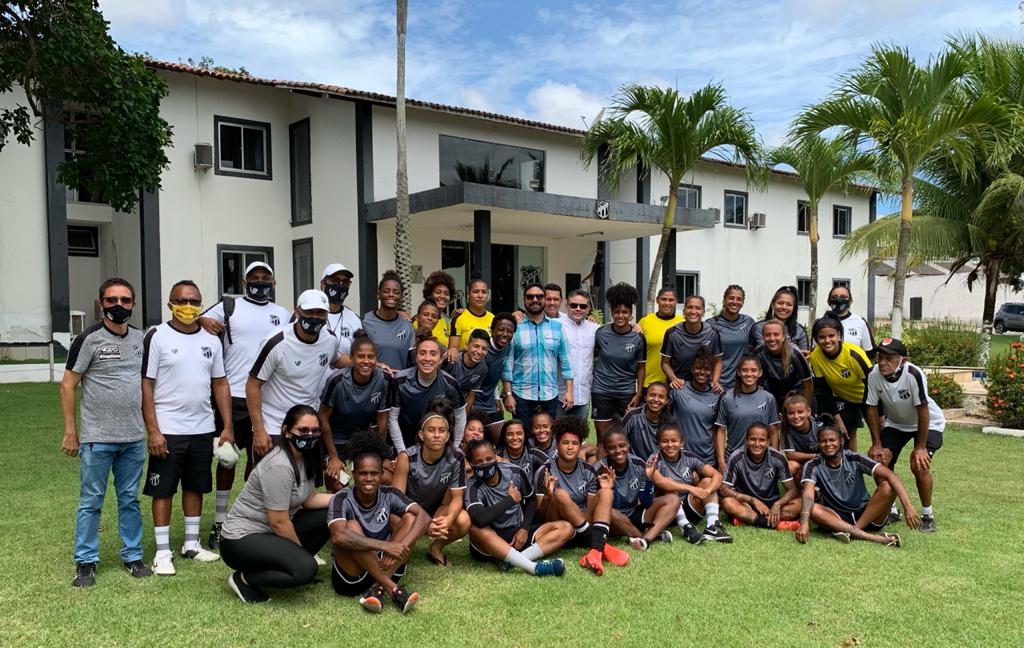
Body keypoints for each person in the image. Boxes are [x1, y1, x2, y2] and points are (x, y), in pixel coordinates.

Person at [61, 278, 152, 587]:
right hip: (96, 439)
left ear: (133, 304)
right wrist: (71, 432)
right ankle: (86, 562)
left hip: (133, 438)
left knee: (129, 500)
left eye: (125, 300)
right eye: (112, 300)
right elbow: (68, 385)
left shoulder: (140, 339)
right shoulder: (88, 339)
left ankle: (133, 556)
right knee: (91, 501)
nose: (119, 305)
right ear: (102, 304)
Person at [198, 261, 291, 549]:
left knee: (259, 461)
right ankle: (219, 521)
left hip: (268, 398)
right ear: (243, 282)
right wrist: (202, 321)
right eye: (254, 277)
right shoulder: (229, 307)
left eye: (265, 278)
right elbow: (193, 318)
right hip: (234, 395)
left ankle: (247, 519)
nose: (260, 282)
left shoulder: (282, 313)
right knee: (227, 459)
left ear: (273, 283)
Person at [142, 280, 231, 575]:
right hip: (168, 429)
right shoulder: (157, 335)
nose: (188, 307)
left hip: (202, 427)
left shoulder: (211, 340)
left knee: (196, 486)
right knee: (163, 489)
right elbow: (146, 384)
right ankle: (162, 552)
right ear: (170, 304)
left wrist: (227, 425)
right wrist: (153, 430)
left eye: (194, 302)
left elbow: (220, 383)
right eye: (182, 301)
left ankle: (191, 544)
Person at [220, 405, 334, 603]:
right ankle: (244, 579)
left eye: (315, 431)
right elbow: (279, 522)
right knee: (306, 569)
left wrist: (345, 497)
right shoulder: (279, 465)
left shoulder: (304, 458)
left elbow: (308, 499)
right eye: (303, 430)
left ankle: (293, 563)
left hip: (269, 533)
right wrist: (301, 555)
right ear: (286, 431)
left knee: (329, 514)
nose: (310, 436)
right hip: (241, 540)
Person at [327, 430, 430, 614]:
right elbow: (338, 536)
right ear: (354, 473)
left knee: (410, 518)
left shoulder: (389, 493)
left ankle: (376, 589)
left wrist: (400, 546)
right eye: (363, 473)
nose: (369, 478)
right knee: (351, 527)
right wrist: (386, 546)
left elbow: (424, 517)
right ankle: (394, 590)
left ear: (382, 473)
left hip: (385, 567)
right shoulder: (341, 498)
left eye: (374, 473)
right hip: (352, 577)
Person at [247, 289, 342, 464]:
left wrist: (371, 363)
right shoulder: (276, 342)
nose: (315, 317)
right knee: (272, 478)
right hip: (274, 425)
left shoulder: (330, 340)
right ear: (297, 311)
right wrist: (259, 430)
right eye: (309, 312)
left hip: (309, 426)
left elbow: (337, 360)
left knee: (307, 479)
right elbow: (253, 384)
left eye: (320, 313)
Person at [865, 338, 944, 533]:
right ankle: (891, 510)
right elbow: (871, 407)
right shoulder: (873, 374)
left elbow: (923, 410)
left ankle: (927, 516)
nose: (882, 362)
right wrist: (876, 443)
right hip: (897, 424)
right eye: (880, 357)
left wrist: (920, 447)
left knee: (919, 464)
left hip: (928, 422)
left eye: (889, 358)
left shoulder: (913, 374)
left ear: (902, 360)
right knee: (878, 460)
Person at [534, 416, 630, 575]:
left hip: (583, 526)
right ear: (557, 445)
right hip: (561, 529)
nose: (570, 447)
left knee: (606, 491)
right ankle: (600, 546)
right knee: (560, 494)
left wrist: (607, 489)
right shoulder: (545, 471)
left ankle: (594, 552)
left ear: (580, 446)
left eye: (575, 443)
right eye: (565, 443)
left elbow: (590, 509)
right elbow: (539, 516)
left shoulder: (588, 470)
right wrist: (548, 496)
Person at [795, 423, 916, 548]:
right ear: (818, 444)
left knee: (888, 487)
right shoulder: (812, 465)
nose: (828, 444)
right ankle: (874, 538)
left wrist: (907, 506)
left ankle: (853, 532)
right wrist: (804, 523)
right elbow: (808, 495)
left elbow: (891, 475)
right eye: (823, 441)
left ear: (841, 441)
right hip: (837, 518)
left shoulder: (855, 458)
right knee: (814, 509)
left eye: (832, 440)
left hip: (868, 516)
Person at [465, 438, 570, 575]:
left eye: (489, 458)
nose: (485, 464)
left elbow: (531, 500)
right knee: (475, 529)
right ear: (471, 464)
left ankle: (512, 561)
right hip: (490, 543)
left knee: (566, 528)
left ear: (496, 456)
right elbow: (480, 519)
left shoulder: (515, 472)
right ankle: (534, 568)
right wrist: (510, 500)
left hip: (516, 534)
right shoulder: (472, 486)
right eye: (479, 461)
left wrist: (524, 529)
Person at [391, 404, 471, 566]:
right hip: (409, 512)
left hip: (436, 509)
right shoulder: (406, 457)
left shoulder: (456, 457)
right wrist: (424, 523)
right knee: (396, 526)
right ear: (421, 434)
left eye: (442, 431)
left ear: (448, 436)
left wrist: (448, 519)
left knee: (463, 520)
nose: (436, 435)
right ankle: (400, 544)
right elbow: (396, 501)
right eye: (431, 430)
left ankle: (435, 548)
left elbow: (457, 497)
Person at [319, 332, 392, 487]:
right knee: (340, 482)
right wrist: (333, 457)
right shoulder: (337, 381)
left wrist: (382, 455)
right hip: (337, 440)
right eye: (361, 356)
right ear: (351, 358)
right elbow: (323, 418)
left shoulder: (383, 379)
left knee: (385, 478)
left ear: (376, 359)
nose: (366, 361)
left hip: (364, 440)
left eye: (371, 357)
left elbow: (382, 420)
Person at [503, 283, 574, 425]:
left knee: (547, 435)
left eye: (539, 296)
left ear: (545, 299)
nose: (535, 300)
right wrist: (508, 394)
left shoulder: (557, 327)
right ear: (524, 300)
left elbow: (566, 362)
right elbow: (507, 364)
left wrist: (569, 391)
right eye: (530, 297)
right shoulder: (515, 327)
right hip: (521, 395)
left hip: (550, 395)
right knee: (523, 435)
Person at [598, 427, 679, 551]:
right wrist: (612, 487)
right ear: (605, 449)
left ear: (628, 445)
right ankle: (643, 536)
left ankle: (646, 539)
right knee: (611, 512)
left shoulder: (638, 464)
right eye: (612, 447)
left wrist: (648, 479)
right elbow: (615, 508)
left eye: (622, 445)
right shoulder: (600, 470)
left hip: (633, 512)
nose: (618, 450)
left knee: (673, 499)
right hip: (614, 520)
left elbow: (646, 502)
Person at [652, 423, 732, 543]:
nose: (670, 445)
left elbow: (718, 475)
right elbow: (659, 481)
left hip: (690, 508)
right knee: (668, 484)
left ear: (682, 442)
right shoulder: (654, 459)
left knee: (707, 481)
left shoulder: (689, 457)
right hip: (666, 512)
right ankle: (685, 527)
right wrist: (691, 488)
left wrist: (707, 491)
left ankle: (712, 526)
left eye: (674, 441)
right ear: (658, 443)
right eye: (665, 441)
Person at [388, 337, 466, 454]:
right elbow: (392, 419)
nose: (427, 358)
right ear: (416, 357)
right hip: (404, 439)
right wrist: (402, 452)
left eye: (433, 354)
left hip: (435, 439)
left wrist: (454, 447)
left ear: (441, 358)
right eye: (422, 353)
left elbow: (460, 416)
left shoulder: (450, 384)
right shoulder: (400, 381)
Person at [591, 283, 646, 443]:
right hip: (601, 390)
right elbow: (592, 355)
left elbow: (641, 367)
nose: (620, 316)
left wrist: (638, 393)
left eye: (625, 312)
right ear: (611, 313)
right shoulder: (601, 333)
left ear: (631, 314)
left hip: (626, 392)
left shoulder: (638, 338)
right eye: (616, 312)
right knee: (603, 436)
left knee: (625, 436)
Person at [720, 423, 801, 530]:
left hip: (771, 504)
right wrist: (752, 500)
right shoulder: (736, 457)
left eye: (762, 440)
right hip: (747, 505)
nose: (757, 444)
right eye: (752, 439)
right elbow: (724, 490)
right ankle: (776, 524)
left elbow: (792, 490)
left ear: (768, 442)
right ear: (746, 440)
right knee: (727, 503)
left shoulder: (777, 457)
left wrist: (778, 504)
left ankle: (747, 519)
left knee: (800, 504)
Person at [809, 316, 871, 450]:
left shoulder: (854, 354)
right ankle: (849, 462)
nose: (827, 341)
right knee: (846, 434)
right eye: (822, 337)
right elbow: (823, 389)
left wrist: (878, 415)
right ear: (816, 339)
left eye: (831, 336)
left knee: (879, 436)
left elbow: (872, 385)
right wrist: (838, 419)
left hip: (867, 397)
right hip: (842, 397)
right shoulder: (815, 356)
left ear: (839, 335)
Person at [713, 355, 780, 473]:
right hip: (733, 458)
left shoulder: (768, 398)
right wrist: (721, 462)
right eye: (745, 370)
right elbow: (721, 431)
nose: (749, 374)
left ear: (760, 373)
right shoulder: (727, 398)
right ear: (739, 372)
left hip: (761, 458)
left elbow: (774, 430)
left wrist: (774, 459)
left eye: (753, 370)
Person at [667, 348, 723, 466]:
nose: (702, 372)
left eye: (707, 369)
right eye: (698, 368)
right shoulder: (679, 390)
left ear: (712, 372)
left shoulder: (717, 395)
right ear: (692, 368)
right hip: (682, 456)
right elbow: (663, 415)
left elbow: (718, 429)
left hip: (707, 456)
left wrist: (720, 459)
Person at [661, 295, 723, 391]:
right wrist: (674, 379)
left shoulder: (712, 332)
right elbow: (665, 363)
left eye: (698, 308)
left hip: (703, 387)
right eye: (689, 307)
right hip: (679, 387)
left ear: (703, 312)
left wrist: (715, 382)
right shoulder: (672, 333)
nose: (693, 311)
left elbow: (718, 362)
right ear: (684, 311)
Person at [473, 313, 517, 441]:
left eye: (510, 331)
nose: (505, 334)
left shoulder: (507, 348)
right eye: (501, 329)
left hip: (489, 404)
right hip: (473, 403)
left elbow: (496, 374)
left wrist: (497, 397)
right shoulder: (482, 350)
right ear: (492, 331)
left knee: (503, 441)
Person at [754, 319, 814, 411]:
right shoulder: (759, 354)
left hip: (797, 398)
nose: (772, 338)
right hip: (774, 398)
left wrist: (805, 409)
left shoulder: (795, 354)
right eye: (767, 335)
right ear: (763, 337)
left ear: (784, 337)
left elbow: (808, 385)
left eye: (776, 334)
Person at [362, 271, 415, 373]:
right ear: (378, 295)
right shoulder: (364, 322)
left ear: (401, 297)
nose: (391, 295)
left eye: (396, 292)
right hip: (372, 381)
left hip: (399, 381)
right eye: (386, 291)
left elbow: (413, 361)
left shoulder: (407, 327)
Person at [558, 289, 599, 420]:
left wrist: (633, 326)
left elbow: (615, 332)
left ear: (588, 308)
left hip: (583, 395)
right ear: (567, 306)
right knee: (556, 432)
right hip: (560, 394)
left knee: (580, 432)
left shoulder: (594, 328)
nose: (578, 309)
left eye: (582, 306)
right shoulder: (557, 326)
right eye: (574, 305)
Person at [707, 285, 755, 389]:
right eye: (731, 298)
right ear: (724, 300)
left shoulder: (749, 322)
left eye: (739, 299)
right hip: (716, 383)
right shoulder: (711, 324)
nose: (735, 302)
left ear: (743, 302)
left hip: (741, 382)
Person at [637, 286, 684, 389]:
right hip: (649, 383)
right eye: (663, 299)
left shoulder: (682, 323)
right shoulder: (645, 322)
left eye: (671, 300)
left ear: (676, 301)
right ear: (657, 300)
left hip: (676, 383)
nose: (667, 303)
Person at [780, 394, 832, 480]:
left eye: (800, 412)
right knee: (790, 466)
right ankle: (802, 488)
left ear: (808, 411)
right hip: (803, 464)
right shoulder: (785, 428)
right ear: (786, 414)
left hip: (823, 462)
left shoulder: (820, 426)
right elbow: (790, 455)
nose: (796, 416)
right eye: (791, 413)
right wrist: (816, 456)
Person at [320, 263, 362, 359]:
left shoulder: (354, 319)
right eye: (335, 280)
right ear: (322, 284)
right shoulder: (308, 313)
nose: (340, 285)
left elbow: (359, 354)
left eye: (345, 282)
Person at [749, 286, 809, 352]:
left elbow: (804, 355)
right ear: (773, 304)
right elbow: (752, 353)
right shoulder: (759, 327)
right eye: (780, 303)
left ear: (794, 308)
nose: (784, 307)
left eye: (789, 304)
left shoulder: (799, 331)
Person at [448, 278, 494, 362]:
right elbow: (453, 350)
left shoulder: (493, 319)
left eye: (484, 292)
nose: (480, 296)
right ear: (468, 295)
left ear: (488, 296)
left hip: (488, 366)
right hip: (464, 366)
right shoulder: (459, 317)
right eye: (475, 292)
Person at [442, 328, 489, 410]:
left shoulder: (483, 368)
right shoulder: (452, 358)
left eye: (484, 349)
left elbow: (471, 395)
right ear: (467, 346)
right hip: (440, 400)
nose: (479, 351)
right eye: (476, 346)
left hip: (457, 405)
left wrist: (464, 416)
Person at [621, 381, 670, 460]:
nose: (656, 399)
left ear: (667, 401)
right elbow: (618, 440)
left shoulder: (669, 421)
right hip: (634, 463)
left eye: (661, 397)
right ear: (645, 397)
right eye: (652, 395)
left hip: (659, 464)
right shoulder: (633, 416)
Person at [826, 285, 875, 357]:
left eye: (843, 297)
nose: (838, 300)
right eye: (834, 297)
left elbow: (870, 353)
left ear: (850, 301)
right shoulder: (822, 323)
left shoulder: (860, 322)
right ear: (828, 301)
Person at [498, 418, 549, 484]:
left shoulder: (533, 453)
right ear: (504, 438)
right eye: (510, 434)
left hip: (530, 490)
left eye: (519, 433)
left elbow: (551, 465)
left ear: (525, 436)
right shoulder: (498, 457)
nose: (515, 438)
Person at [419, 271, 457, 343]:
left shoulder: (446, 321)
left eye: (446, 294)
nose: (442, 296)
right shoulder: (420, 319)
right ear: (430, 294)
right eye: (438, 292)